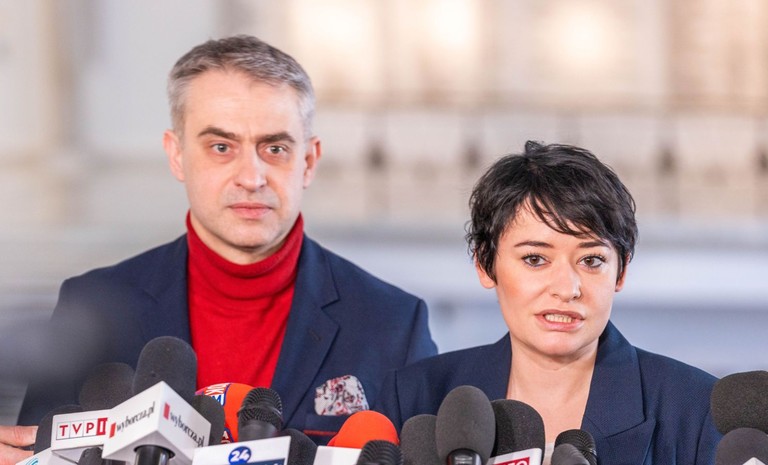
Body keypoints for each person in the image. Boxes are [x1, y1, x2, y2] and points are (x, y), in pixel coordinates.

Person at [4, 34, 436, 462]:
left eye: (275, 148)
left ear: (308, 161)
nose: (251, 177)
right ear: (177, 155)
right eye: (221, 147)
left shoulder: (394, 324)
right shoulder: (92, 305)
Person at [376, 141, 721, 465]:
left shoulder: (696, 409)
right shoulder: (415, 397)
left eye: (591, 261)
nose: (566, 289)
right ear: (484, 264)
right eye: (535, 259)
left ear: (621, 272)